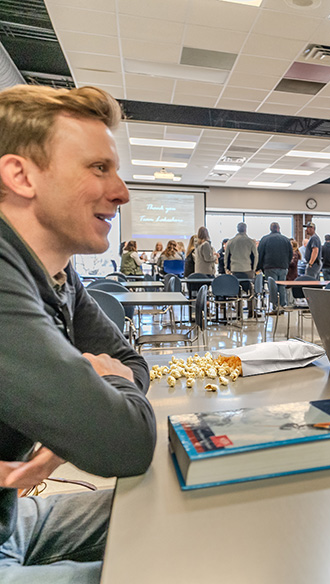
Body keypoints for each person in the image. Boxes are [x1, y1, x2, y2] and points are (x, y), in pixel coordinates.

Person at [0, 84, 156, 581]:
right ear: (21, 176)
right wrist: (89, 410)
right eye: (98, 168)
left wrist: (78, 415)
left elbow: (131, 365)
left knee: (188, 511)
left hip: (13, 522)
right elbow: (126, 445)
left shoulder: (60, 274)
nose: (121, 192)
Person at [257, 222, 293, 306]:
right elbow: (290, 253)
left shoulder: (265, 239)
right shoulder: (286, 239)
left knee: (273, 288)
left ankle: (275, 306)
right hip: (283, 267)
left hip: (270, 267)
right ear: (278, 228)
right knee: (282, 287)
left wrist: (260, 267)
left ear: (270, 229)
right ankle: (283, 305)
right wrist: (286, 264)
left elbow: (260, 253)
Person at [225, 223, 257, 293]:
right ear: (245, 229)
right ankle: (250, 303)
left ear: (237, 229)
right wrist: (254, 269)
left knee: (235, 289)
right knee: (250, 290)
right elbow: (255, 256)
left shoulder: (230, 242)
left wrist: (227, 268)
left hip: (234, 269)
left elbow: (226, 256)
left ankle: (236, 303)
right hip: (247, 269)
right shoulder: (251, 242)